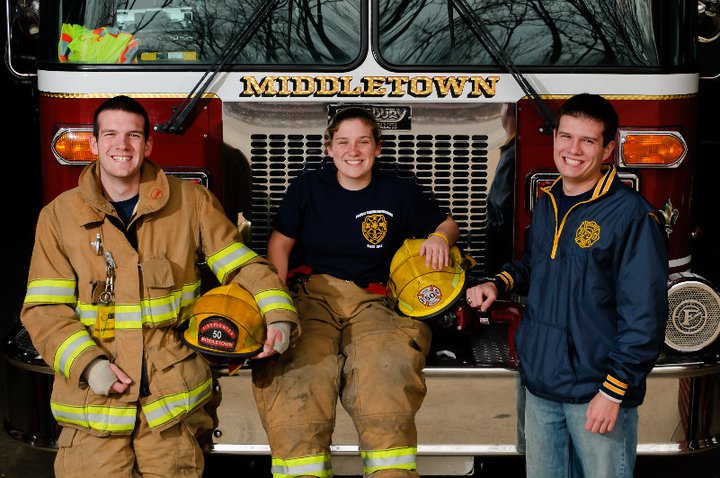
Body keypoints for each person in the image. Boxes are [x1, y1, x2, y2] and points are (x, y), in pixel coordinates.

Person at [20, 95, 298, 478]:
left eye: (133, 135)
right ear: (95, 144)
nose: (122, 145)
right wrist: (89, 364)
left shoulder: (191, 202)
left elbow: (241, 265)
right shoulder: (59, 216)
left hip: (171, 401)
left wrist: (278, 314)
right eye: (111, 135)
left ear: (148, 145)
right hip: (94, 401)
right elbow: (44, 310)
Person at [466, 93, 668, 478]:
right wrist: (498, 283)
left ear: (607, 150)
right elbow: (537, 264)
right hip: (542, 384)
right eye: (566, 136)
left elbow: (644, 315)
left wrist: (613, 391)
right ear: (555, 138)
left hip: (596, 390)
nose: (573, 150)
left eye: (588, 141)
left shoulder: (633, 217)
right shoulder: (549, 200)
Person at [251, 106, 460, 478]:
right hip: (312, 298)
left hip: (375, 303)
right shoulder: (308, 187)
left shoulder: (397, 191)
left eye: (363, 141)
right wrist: (276, 304)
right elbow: (279, 245)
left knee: (387, 373)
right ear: (329, 148)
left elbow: (447, 224)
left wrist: (440, 238)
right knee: (298, 376)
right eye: (343, 142)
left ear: (378, 148)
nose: (353, 151)